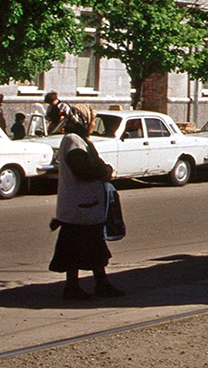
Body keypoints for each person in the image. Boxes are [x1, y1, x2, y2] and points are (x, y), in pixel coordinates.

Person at [48, 104, 123, 300]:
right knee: (81, 249)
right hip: (80, 208)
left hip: (84, 207)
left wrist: (104, 168)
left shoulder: (80, 140)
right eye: (91, 119)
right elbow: (81, 170)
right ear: (82, 120)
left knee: (90, 248)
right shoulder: (73, 141)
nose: (92, 124)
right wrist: (102, 171)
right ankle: (79, 287)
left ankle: (95, 284)